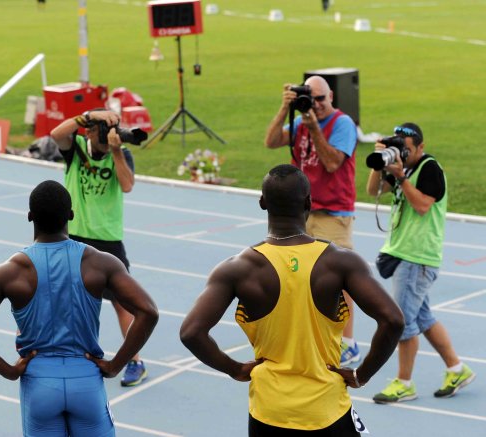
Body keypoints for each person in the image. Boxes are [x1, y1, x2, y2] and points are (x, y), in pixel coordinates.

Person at [180, 164, 404, 436]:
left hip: (269, 412)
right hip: (326, 409)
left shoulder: (237, 268)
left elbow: (191, 333)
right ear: (309, 202)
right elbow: (392, 320)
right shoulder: (339, 262)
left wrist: (235, 369)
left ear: (262, 203)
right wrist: (361, 375)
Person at [0, 180, 158, 436]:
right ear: (71, 215)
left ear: (30, 216)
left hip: (39, 384)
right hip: (87, 382)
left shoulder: (9, 272)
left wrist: (9, 371)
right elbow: (148, 311)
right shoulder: (101, 263)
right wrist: (116, 365)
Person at [367, 123, 476, 403]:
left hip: (417, 257)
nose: (402, 153)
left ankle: (404, 383)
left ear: (421, 147)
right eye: (399, 148)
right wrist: (380, 161)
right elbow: (371, 190)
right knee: (423, 318)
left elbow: (423, 205)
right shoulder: (402, 166)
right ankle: (457, 369)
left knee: (401, 322)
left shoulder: (429, 168)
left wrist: (401, 177)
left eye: (406, 149)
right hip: (406, 254)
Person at [264, 75, 361, 366]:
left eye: (320, 98)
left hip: (333, 212)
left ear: (331, 96)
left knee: (339, 276)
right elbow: (271, 141)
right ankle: (311, 333)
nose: (315, 104)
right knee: (299, 274)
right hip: (302, 212)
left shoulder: (342, 124)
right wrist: (285, 108)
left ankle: (348, 342)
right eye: (310, 98)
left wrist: (313, 126)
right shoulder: (298, 121)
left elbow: (332, 163)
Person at [50, 108, 149, 386]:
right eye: (99, 130)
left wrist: (116, 151)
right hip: (74, 237)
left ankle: (135, 361)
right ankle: (65, 354)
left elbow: (127, 186)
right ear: (89, 132)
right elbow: (56, 133)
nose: (104, 135)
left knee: (123, 303)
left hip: (108, 240)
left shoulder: (122, 154)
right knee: (65, 301)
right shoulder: (76, 148)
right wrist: (88, 115)